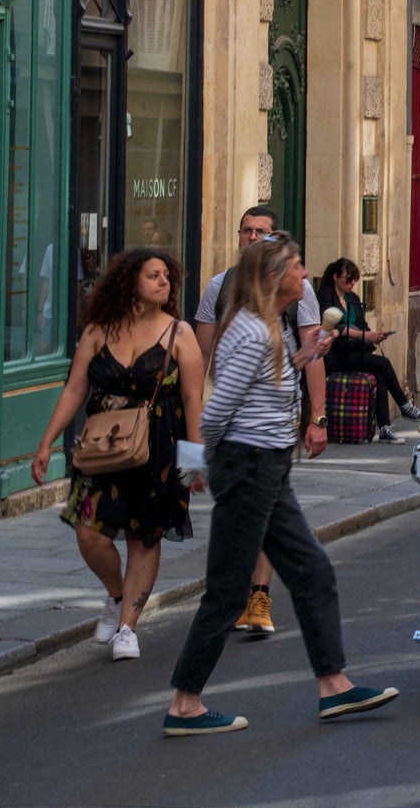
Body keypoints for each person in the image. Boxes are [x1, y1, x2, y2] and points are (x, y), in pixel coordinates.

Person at [164, 236, 397, 734]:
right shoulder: (251, 332)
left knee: (312, 572)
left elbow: (254, 389)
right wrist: (193, 465)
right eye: (297, 266)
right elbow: (219, 405)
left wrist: (301, 357)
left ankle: (333, 686)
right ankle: (185, 703)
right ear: (273, 277)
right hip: (248, 470)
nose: (304, 273)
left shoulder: (268, 328)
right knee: (228, 593)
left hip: (267, 469)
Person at [31, 248, 202, 663]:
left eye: (166, 277)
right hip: (100, 447)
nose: (164, 283)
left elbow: (195, 398)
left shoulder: (179, 333)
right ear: (130, 283)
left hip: (157, 446)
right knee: (88, 530)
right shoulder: (98, 330)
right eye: (154, 276)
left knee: (146, 536)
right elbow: (75, 389)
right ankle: (116, 594)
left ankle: (128, 627)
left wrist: (195, 463)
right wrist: (47, 442)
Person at [193, 206, 326, 639]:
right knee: (245, 569)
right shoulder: (223, 291)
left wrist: (317, 417)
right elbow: (202, 363)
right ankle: (187, 695)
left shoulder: (297, 295)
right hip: (246, 446)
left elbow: (306, 354)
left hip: (271, 436)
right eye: (247, 231)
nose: (253, 238)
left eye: (263, 233)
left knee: (308, 568)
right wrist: (202, 455)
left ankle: (259, 596)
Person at [317, 258, 420, 442]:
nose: (352, 284)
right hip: (337, 353)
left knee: (380, 375)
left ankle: (384, 428)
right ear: (335, 277)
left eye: (354, 280)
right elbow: (333, 326)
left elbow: (363, 326)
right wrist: (365, 336)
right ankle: (404, 404)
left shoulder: (353, 299)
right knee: (383, 363)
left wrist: (374, 335)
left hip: (356, 350)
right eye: (348, 279)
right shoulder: (326, 295)